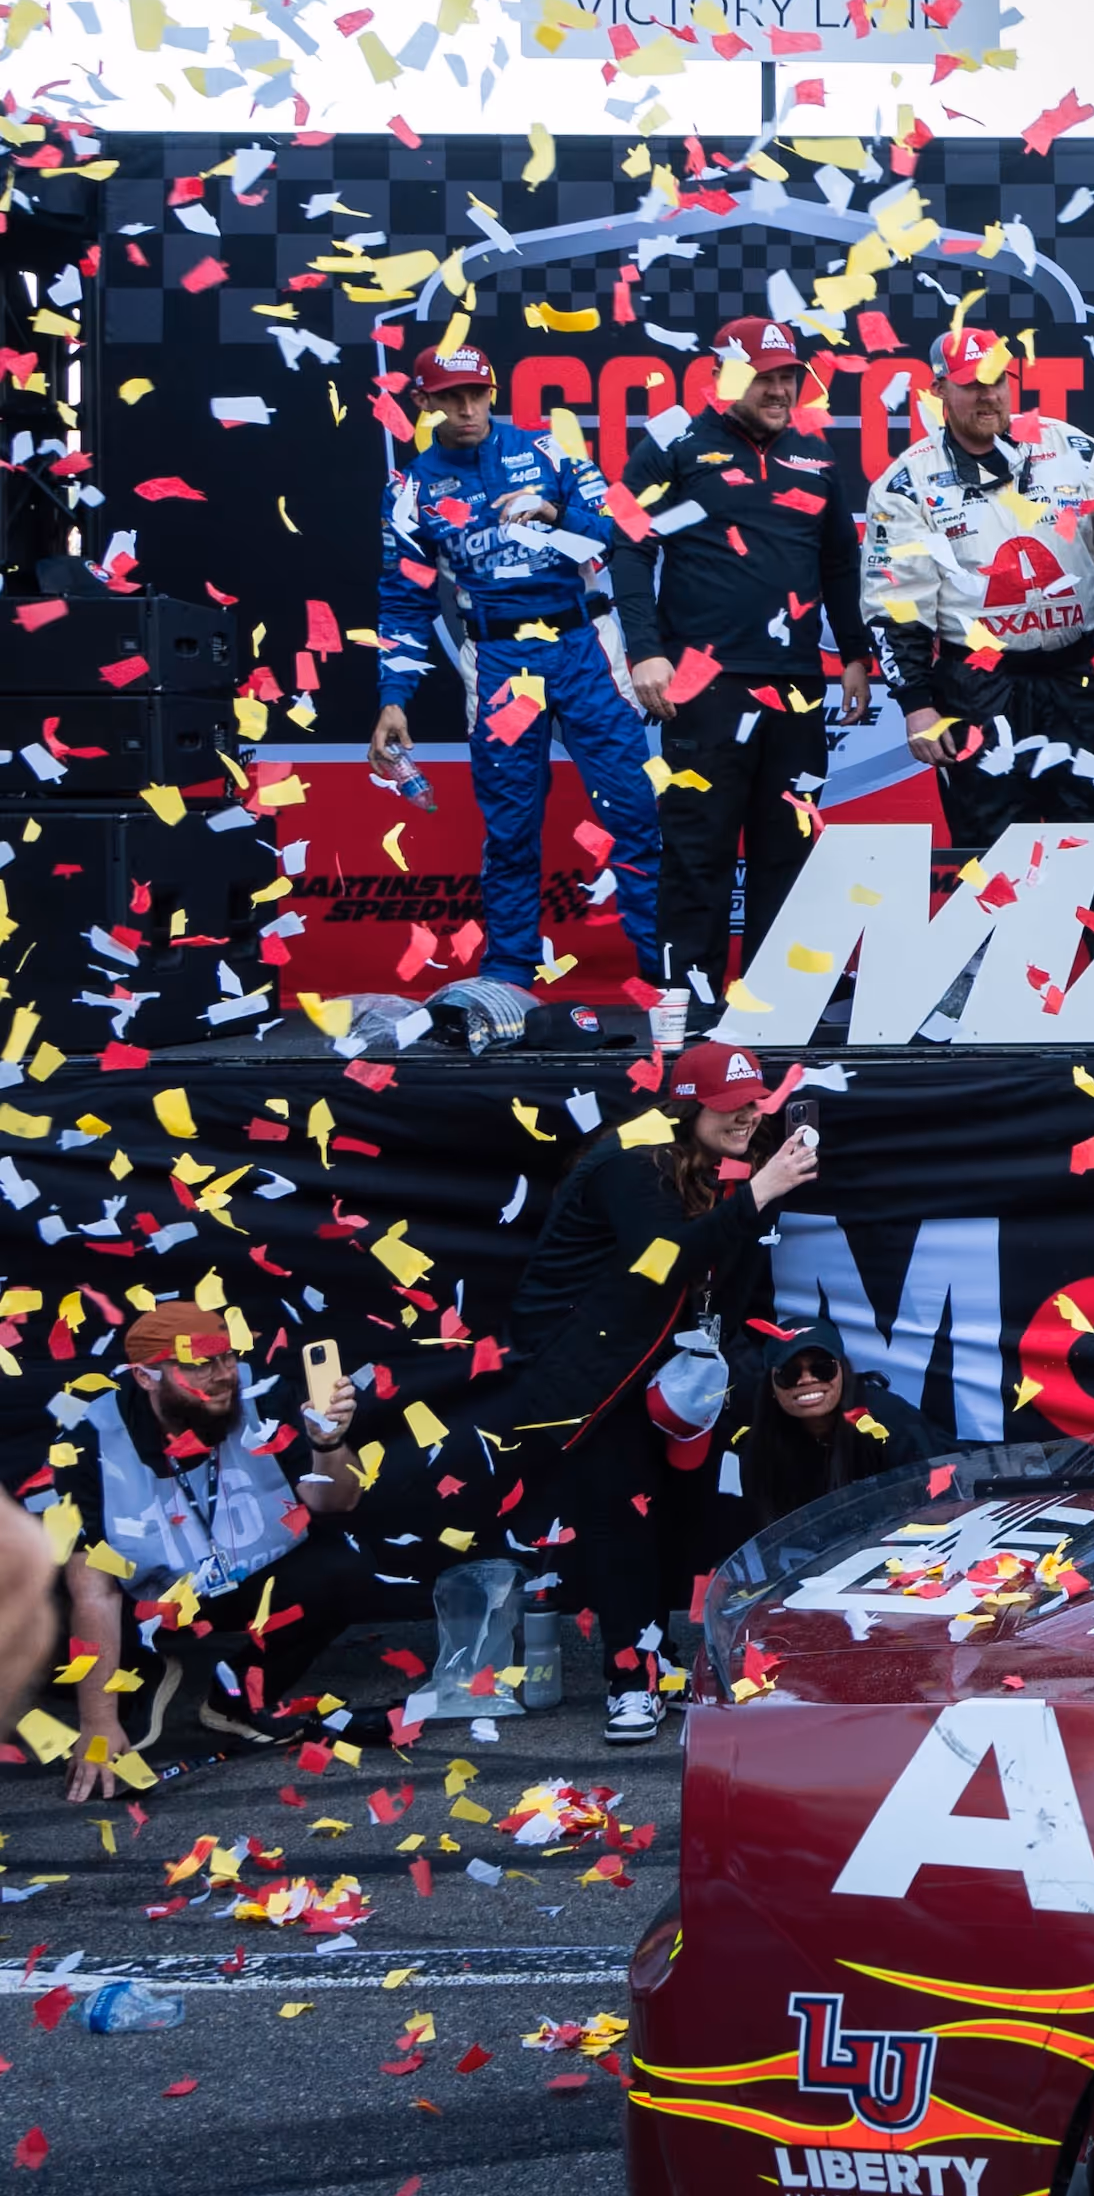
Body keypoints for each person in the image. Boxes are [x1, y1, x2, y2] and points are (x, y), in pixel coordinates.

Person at [470, 1039, 815, 1739]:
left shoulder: (701, 1149)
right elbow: (664, 1261)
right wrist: (762, 1190)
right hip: (590, 1371)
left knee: (680, 1517)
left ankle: (659, 1668)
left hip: (664, 1363)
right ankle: (629, 1683)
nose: (746, 1118)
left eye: (754, 1102)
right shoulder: (634, 1159)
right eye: (728, 1108)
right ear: (686, 1107)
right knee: (620, 1522)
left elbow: (715, 1261)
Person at [373, 341, 667, 989]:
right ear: (424, 402)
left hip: (584, 647)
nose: (468, 408)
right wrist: (394, 696)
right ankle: (509, 979)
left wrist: (555, 512)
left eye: (477, 393)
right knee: (509, 828)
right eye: (451, 398)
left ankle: (666, 972)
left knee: (634, 812)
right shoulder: (412, 489)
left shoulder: (547, 449)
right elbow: (402, 601)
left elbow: (612, 533)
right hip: (504, 665)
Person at [621, 318, 869, 1006]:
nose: (780, 388)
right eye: (765, 375)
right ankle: (686, 1021)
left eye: (789, 375)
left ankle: (773, 1010)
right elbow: (629, 547)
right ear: (723, 374)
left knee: (788, 854)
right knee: (696, 854)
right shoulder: (672, 444)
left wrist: (853, 654)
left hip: (795, 687)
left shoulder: (816, 452)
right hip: (703, 683)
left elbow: (839, 562)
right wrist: (644, 652)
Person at [44, 1297, 367, 1794]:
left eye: (227, 1357)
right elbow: (95, 1592)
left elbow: (335, 1503)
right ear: (146, 1376)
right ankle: (146, 1676)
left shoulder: (264, 1396)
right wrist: (98, 1724)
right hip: (146, 1603)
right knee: (45, 1615)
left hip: (246, 1581)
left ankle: (233, 1702)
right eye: (198, 1365)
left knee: (342, 1571)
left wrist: (327, 1444)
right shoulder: (90, 1439)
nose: (222, 1376)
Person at [866, 326, 1094, 845]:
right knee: (991, 855)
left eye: (997, 380)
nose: (988, 395)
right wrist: (916, 704)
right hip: (980, 686)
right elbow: (897, 609)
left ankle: (1093, 930)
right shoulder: (906, 484)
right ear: (939, 390)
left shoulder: (1076, 449)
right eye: (971, 383)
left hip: (1079, 672)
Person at [722, 1322, 941, 1540]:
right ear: (771, 1384)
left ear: (842, 1371)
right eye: (789, 1373)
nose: (807, 1379)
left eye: (823, 1369)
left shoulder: (886, 1421)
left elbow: (939, 1501)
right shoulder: (755, 1438)